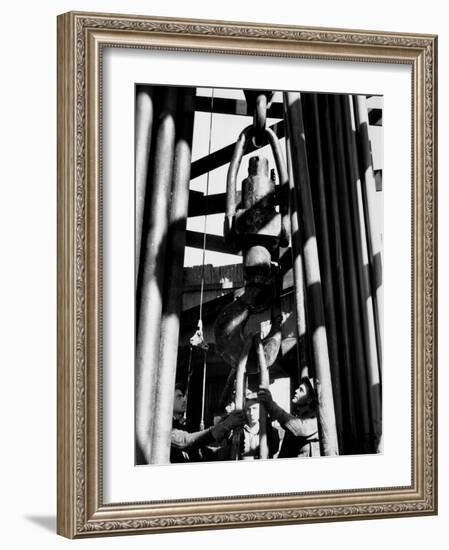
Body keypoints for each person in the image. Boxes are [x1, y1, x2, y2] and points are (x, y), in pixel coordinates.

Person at [170, 383, 245, 463]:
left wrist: (231, 448)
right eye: (179, 397)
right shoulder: (164, 427)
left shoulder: (180, 426)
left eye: (184, 396)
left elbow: (202, 453)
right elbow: (186, 440)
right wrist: (226, 425)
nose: (184, 399)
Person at [258, 377, 320, 458]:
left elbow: (301, 428)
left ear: (309, 399)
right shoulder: (296, 419)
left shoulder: (317, 419)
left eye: (301, 390)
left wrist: (272, 406)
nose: (296, 390)